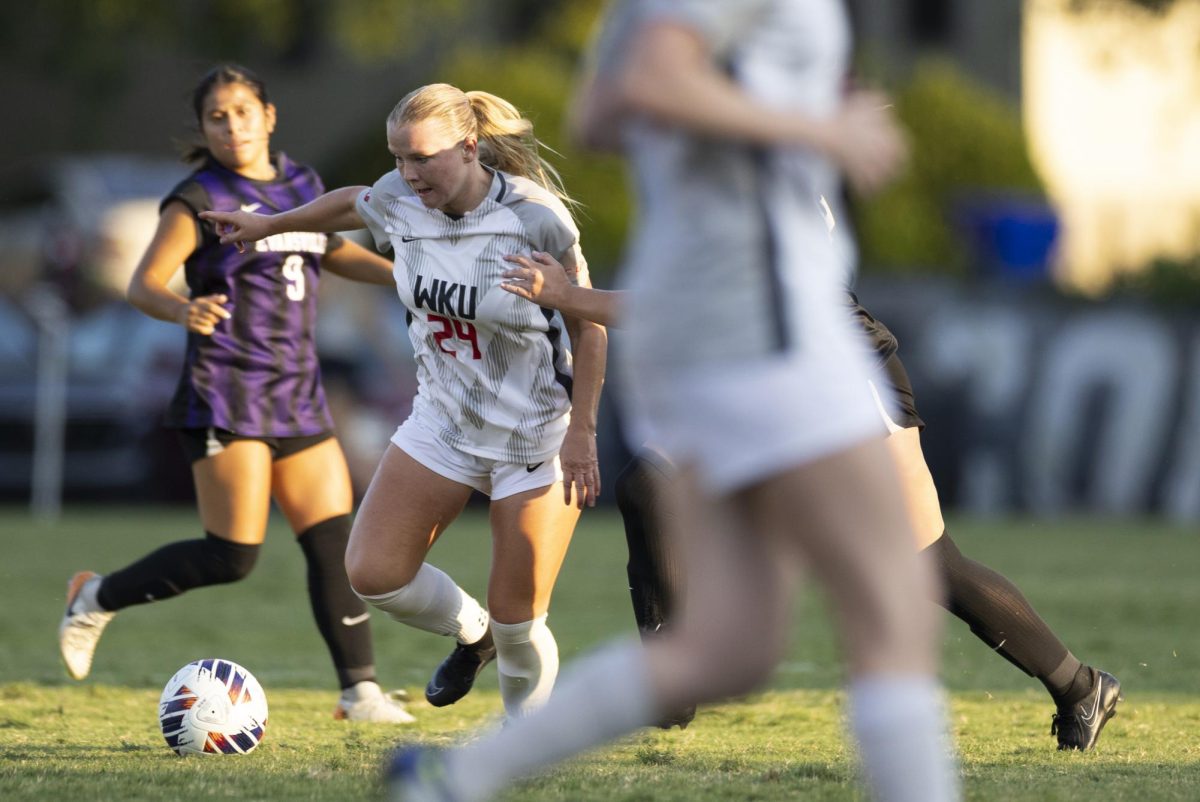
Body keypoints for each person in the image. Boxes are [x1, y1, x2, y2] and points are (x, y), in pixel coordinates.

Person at [389, 2, 960, 801]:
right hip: (759, 325)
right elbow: (653, 81)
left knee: (730, 648)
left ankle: (457, 777)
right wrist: (815, 131)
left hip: (702, 323)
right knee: (895, 613)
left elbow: (600, 114)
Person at [501, 253, 1122, 749]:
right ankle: (671, 677)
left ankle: (1079, 686)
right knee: (649, 484)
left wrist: (566, 296)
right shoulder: (713, 153)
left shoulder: (751, 160)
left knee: (927, 563)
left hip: (838, 367)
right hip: (753, 360)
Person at [200, 83, 608, 721]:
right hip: (442, 423)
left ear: (470, 148)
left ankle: (520, 747)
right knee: (374, 574)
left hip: (534, 437)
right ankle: (471, 635)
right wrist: (272, 225)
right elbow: (352, 205)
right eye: (398, 158)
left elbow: (590, 324)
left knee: (519, 621)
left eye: (422, 158)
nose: (406, 174)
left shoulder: (534, 217)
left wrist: (583, 430)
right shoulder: (399, 197)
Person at [57, 64, 416, 724]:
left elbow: (329, 250)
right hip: (226, 388)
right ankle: (96, 596)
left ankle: (359, 692)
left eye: (243, 111)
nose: (232, 125)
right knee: (232, 556)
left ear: (269, 116)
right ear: (203, 128)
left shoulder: (301, 182)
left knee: (333, 540)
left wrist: (407, 275)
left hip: (296, 387)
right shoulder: (197, 196)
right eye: (217, 116)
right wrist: (179, 310)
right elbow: (144, 284)